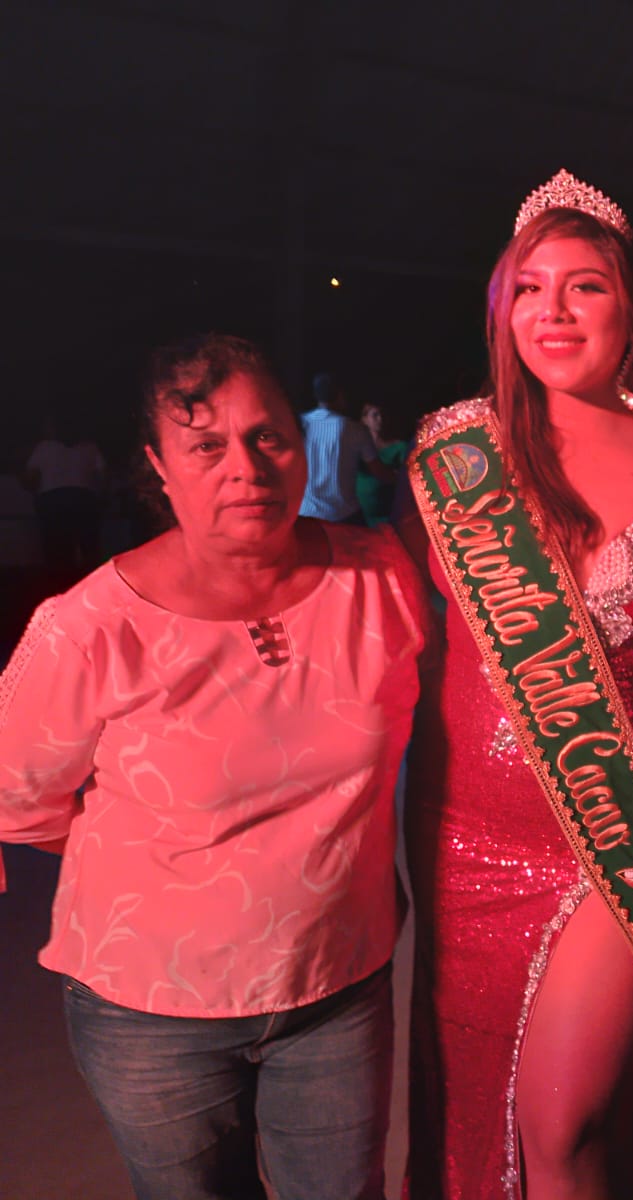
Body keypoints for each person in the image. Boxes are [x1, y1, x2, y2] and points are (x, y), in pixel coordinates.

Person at [0, 334, 429, 1200]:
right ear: (159, 466)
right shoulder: (88, 629)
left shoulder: (378, 577)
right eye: (206, 445)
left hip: (338, 991)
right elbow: (18, 802)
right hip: (153, 1017)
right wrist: (173, 869)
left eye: (268, 436)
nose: (246, 467)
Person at [402, 170, 633, 1200]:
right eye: (530, 289)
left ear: (631, 311)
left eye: (585, 286)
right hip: (460, 829)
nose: (555, 310)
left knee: (564, 1119)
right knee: (477, 1101)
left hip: (612, 830)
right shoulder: (455, 452)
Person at [24, 409, 106, 575]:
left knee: (57, 552)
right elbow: (103, 477)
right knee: (88, 550)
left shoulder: (44, 448)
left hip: (53, 502)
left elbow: (30, 480)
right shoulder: (90, 448)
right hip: (84, 501)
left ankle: (59, 583)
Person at [299, 372, 387, 524]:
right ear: (341, 395)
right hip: (344, 517)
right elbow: (378, 471)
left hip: (306, 515)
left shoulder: (300, 424)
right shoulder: (356, 430)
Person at [355, 400, 410, 525]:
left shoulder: (399, 447)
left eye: (382, 414)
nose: (380, 419)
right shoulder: (356, 448)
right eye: (375, 415)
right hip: (360, 516)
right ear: (364, 419)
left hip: (389, 514)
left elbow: (407, 479)